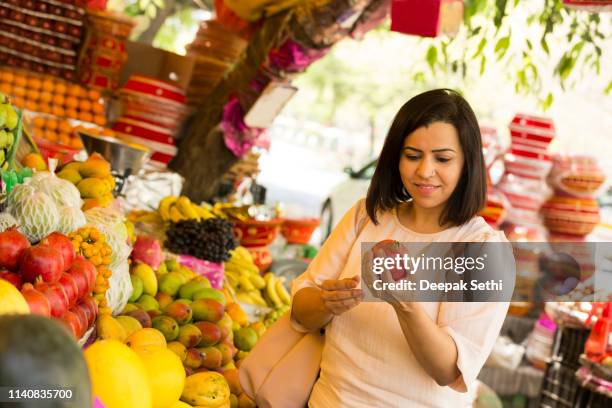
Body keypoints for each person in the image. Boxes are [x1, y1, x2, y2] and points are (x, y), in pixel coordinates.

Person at [291, 89, 514, 407]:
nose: (424, 171)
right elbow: (301, 310)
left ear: (467, 163)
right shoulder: (366, 216)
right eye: (412, 156)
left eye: (442, 158)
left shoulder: (482, 249)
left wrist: (407, 304)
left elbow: (448, 369)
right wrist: (326, 302)